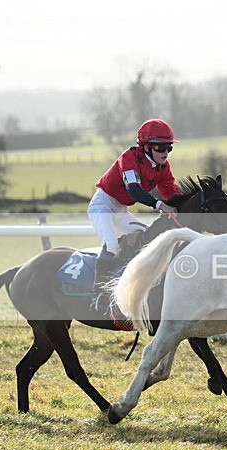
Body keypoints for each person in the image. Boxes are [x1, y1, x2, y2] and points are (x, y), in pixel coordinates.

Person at [87, 118, 181, 310]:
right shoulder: (129, 158)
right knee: (111, 245)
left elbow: (172, 193)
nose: (165, 153)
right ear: (145, 147)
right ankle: (97, 294)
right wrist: (160, 205)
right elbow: (134, 191)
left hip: (121, 210)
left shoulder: (163, 167)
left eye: (169, 148)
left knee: (149, 241)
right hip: (102, 206)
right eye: (160, 148)